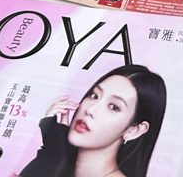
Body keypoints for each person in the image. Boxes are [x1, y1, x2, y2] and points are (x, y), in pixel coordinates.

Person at [18, 64, 166, 177]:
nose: (90, 109)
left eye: (114, 107)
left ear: (134, 130)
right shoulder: (57, 162)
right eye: (94, 96)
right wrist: (54, 151)